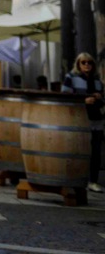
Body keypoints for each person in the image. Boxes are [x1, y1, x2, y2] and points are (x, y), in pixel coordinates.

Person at [62, 52, 104, 192]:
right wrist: (83, 101)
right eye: (83, 62)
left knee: (96, 151)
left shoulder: (97, 80)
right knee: (79, 150)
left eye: (89, 62)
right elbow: (65, 97)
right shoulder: (71, 78)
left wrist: (99, 97)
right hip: (79, 119)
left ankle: (93, 181)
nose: (87, 65)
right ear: (78, 64)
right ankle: (77, 179)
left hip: (96, 119)